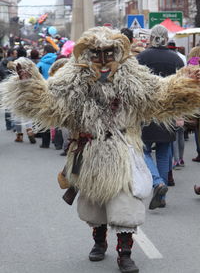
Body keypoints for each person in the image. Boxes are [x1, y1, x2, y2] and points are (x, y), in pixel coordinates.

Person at [1, 26, 200, 273]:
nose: (104, 61)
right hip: (90, 150)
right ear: (87, 55)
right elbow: (51, 101)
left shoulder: (132, 75)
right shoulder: (74, 77)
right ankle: (98, 241)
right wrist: (29, 82)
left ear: (118, 52)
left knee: (125, 203)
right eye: (97, 54)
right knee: (95, 203)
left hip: (122, 149)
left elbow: (160, 93)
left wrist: (188, 81)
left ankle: (125, 253)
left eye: (109, 53)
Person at [137, 25, 184, 209]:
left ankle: (157, 183)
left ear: (151, 38)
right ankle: (162, 196)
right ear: (165, 38)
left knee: (142, 150)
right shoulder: (177, 59)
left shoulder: (141, 58)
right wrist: (180, 113)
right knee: (164, 153)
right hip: (169, 112)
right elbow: (182, 90)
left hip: (147, 112)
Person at [37, 44, 57, 148]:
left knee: (44, 117)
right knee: (57, 116)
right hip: (57, 91)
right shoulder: (58, 61)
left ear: (45, 52)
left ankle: (45, 142)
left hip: (44, 91)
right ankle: (58, 141)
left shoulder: (40, 64)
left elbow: (36, 79)